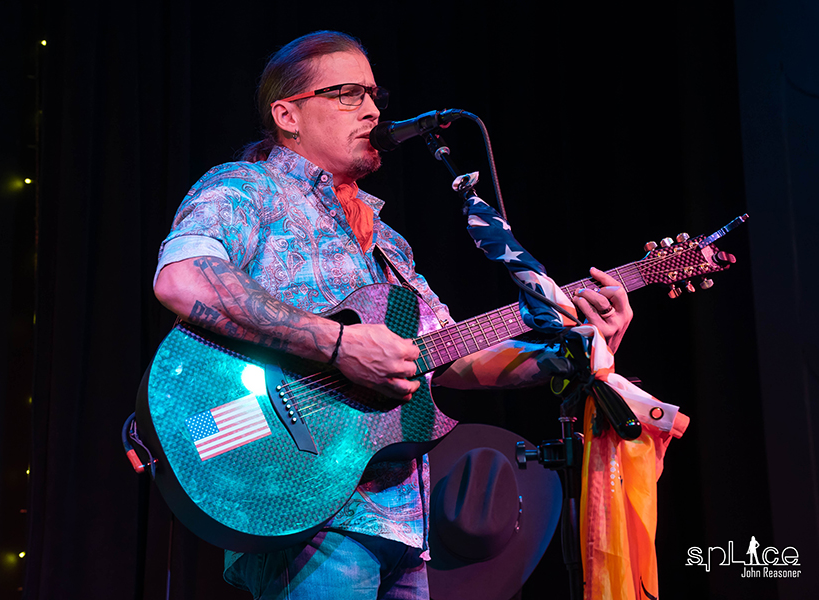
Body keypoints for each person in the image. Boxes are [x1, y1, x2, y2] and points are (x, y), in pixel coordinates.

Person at [153, 30, 632, 600]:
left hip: (405, 524)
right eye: (349, 94)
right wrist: (337, 345)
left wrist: (573, 347)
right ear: (288, 114)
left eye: (374, 95)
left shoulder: (390, 244)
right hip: (304, 503)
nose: (375, 111)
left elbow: (454, 357)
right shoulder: (245, 190)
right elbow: (182, 279)